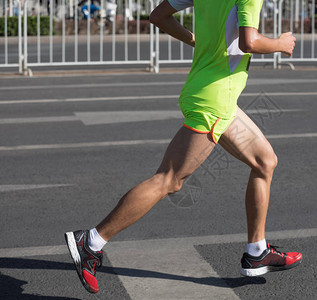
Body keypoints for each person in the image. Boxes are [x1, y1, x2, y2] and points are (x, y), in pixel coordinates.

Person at [64, 0, 301, 294]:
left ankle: (257, 251)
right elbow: (249, 41)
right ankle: (91, 242)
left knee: (265, 162)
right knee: (169, 180)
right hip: (214, 102)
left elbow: (158, 16)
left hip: (208, 93)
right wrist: (280, 43)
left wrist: (197, 41)